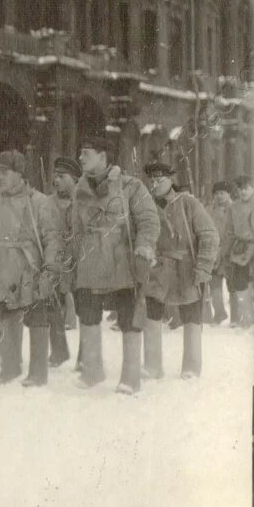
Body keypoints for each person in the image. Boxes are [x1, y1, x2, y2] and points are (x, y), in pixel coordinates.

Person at [68, 137, 159, 394]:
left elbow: (149, 220)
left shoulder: (131, 186)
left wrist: (144, 246)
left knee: (129, 316)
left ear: (103, 156)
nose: (81, 158)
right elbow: (75, 228)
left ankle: (130, 377)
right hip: (90, 258)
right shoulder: (80, 189)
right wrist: (74, 257)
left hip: (122, 257)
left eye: (86, 153)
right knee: (87, 312)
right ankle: (92, 370)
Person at [0, 151, 62, 387]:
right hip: (0, 263)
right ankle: (9, 366)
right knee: (2, 314)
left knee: (36, 316)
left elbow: (52, 239)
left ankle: (38, 372)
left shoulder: (39, 202)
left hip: (30, 265)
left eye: (4, 172)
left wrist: (49, 272)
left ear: (19, 174)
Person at [141, 162, 218, 380]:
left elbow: (210, 234)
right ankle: (153, 366)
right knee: (152, 311)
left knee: (191, 315)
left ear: (170, 181)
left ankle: (192, 367)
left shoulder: (188, 204)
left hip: (186, 267)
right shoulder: (145, 206)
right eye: (152, 181)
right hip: (158, 267)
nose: (155, 185)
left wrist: (203, 266)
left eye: (160, 180)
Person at [47, 156, 80, 368]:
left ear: (75, 179)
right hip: (56, 260)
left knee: (86, 309)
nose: (56, 180)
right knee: (52, 307)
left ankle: (85, 357)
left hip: (81, 259)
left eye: (62, 176)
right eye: (55, 176)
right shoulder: (46, 203)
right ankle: (59, 352)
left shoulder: (85, 201)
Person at [222, 175, 254, 329]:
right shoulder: (233, 207)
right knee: (241, 284)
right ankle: (247, 320)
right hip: (241, 249)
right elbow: (229, 231)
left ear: (252, 187)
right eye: (240, 188)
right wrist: (225, 252)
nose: (243, 191)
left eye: (246, 187)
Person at [207, 181, 233, 325]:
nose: (219, 196)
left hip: (232, 251)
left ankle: (238, 316)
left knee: (234, 286)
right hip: (214, 251)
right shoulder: (209, 209)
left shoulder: (235, 208)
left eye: (222, 193)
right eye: (217, 193)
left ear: (229, 194)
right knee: (214, 284)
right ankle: (219, 313)